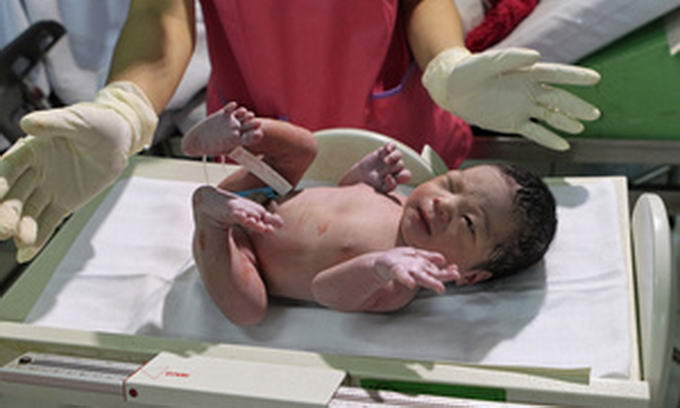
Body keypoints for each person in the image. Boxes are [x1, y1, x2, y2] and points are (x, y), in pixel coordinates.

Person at [0, 0, 595, 263]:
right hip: (262, 137)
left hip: (391, 135)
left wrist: (448, 63)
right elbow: (161, 14)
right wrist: (127, 105)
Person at [188, 103, 557, 326]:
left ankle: (209, 217)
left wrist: (377, 267)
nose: (445, 204)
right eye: (451, 184)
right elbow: (342, 196)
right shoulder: (398, 199)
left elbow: (325, 290)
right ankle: (238, 130)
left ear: (469, 275)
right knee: (304, 146)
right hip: (264, 194)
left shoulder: (395, 286)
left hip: (239, 254)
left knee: (249, 311)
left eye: (469, 223)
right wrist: (362, 178)